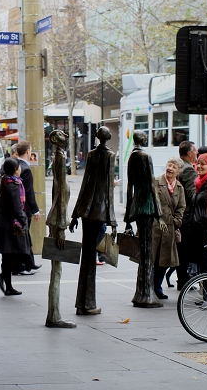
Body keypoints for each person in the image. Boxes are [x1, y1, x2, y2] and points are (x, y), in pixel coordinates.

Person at [69, 127, 117, 315]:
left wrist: (75, 214)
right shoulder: (110, 156)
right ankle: (88, 304)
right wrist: (112, 221)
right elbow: (109, 190)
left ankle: (82, 303)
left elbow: (84, 185)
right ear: (109, 138)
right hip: (100, 211)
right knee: (91, 258)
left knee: (86, 258)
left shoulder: (90, 155)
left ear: (97, 138)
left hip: (86, 209)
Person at [124, 130, 166, 308]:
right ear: (143, 139)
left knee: (144, 252)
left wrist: (128, 215)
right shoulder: (145, 156)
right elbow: (151, 184)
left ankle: (140, 292)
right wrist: (160, 214)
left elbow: (129, 187)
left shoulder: (131, 157)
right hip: (148, 206)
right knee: (148, 252)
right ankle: (147, 295)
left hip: (137, 207)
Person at [45, 130, 76, 327]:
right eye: (61, 134)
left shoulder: (58, 156)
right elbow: (61, 195)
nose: (66, 134)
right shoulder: (60, 156)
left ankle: (53, 313)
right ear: (56, 140)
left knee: (56, 269)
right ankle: (54, 316)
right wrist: (62, 226)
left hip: (55, 219)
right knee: (57, 269)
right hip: (58, 221)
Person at [0, 158, 30, 296]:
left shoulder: (4, 182)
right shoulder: (14, 185)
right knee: (24, 253)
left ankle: (8, 287)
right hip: (13, 224)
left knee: (7, 257)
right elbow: (17, 209)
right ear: (16, 169)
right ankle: (2, 278)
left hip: (3, 222)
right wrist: (24, 220)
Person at [152, 157, 186, 300]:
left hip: (170, 229)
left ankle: (157, 286)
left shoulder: (179, 187)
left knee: (165, 260)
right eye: (169, 165)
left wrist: (177, 220)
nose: (170, 168)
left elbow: (181, 206)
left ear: (178, 171)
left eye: (174, 167)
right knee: (152, 259)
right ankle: (148, 286)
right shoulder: (155, 182)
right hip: (155, 227)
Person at [171, 140, 198, 290]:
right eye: (194, 151)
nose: (196, 154)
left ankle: (182, 280)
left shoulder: (178, 166)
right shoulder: (188, 170)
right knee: (184, 251)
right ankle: (183, 281)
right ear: (189, 153)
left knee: (181, 250)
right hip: (185, 216)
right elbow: (192, 194)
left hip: (177, 214)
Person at [13, 141, 42, 275]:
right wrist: (35, 210)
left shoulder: (14, 165)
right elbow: (29, 192)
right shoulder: (25, 169)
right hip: (23, 210)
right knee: (23, 237)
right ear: (28, 152)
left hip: (15, 209)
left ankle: (29, 262)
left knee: (23, 237)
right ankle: (21, 265)